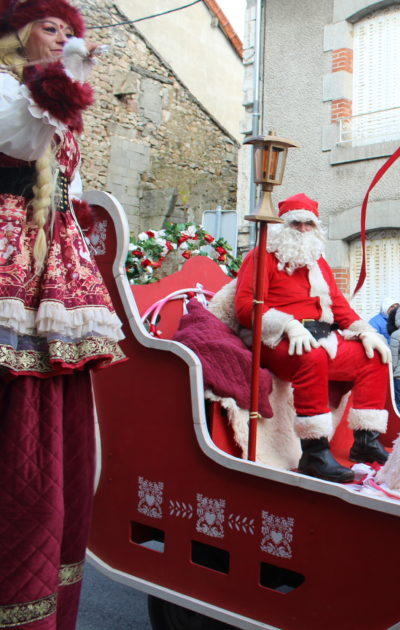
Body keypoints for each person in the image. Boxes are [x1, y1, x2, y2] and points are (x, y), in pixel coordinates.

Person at [0, 1, 125, 626]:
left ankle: (33, 593)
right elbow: (18, 135)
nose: (65, 37)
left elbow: (68, 188)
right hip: (8, 262)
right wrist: (60, 79)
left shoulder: (47, 106)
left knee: (53, 435)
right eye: (52, 27)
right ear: (19, 33)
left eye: (71, 32)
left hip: (54, 271)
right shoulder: (6, 91)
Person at [234, 193, 392, 483]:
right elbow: (245, 308)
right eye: (297, 224)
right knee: (312, 355)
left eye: (309, 224)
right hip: (277, 339)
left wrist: (367, 332)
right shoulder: (260, 257)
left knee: (374, 357)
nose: (304, 230)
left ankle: (365, 441)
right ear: (283, 226)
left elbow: (339, 306)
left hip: (321, 336)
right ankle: (315, 453)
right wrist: (288, 325)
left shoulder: (319, 263)